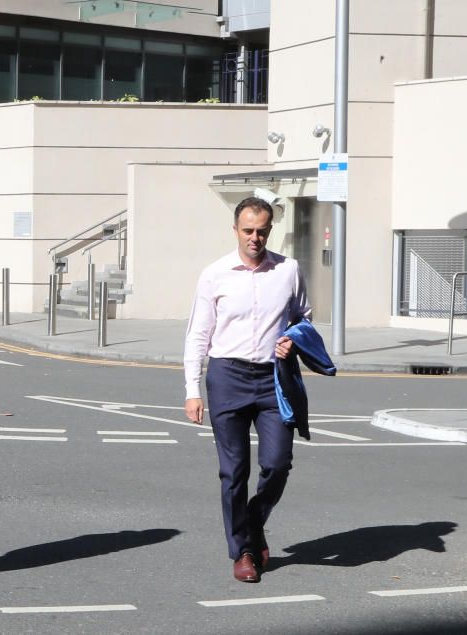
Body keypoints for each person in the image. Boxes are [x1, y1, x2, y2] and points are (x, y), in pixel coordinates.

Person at [183, 196, 312, 584]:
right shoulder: (215, 274)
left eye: (262, 230)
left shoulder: (288, 270)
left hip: (274, 378)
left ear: (271, 230)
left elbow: (304, 316)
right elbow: (198, 335)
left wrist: (292, 338)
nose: (255, 237)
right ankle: (242, 551)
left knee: (277, 463)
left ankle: (253, 523)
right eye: (248, 230)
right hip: (227, 377)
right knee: (233, 471)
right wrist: (192, 389)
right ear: (235, 229)